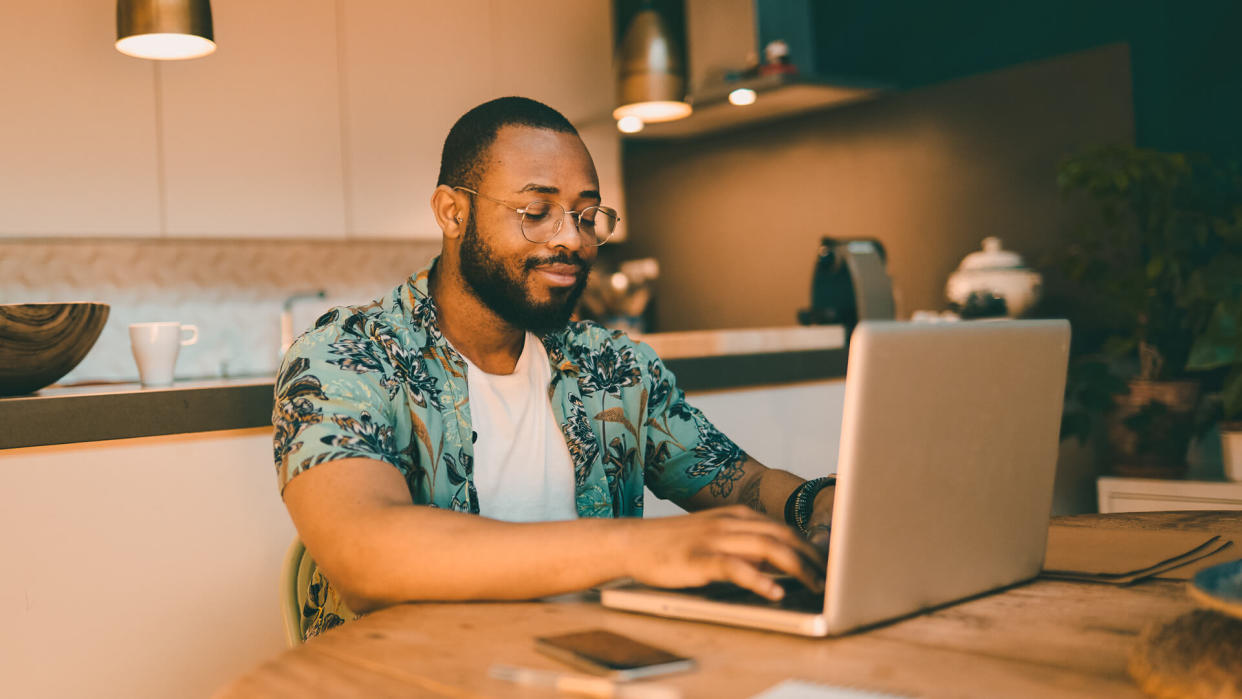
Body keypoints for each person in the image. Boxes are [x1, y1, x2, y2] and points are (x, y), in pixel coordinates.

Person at [273, 97, 836, 639]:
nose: (572, 238)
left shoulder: (612, 366)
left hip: (598, 672)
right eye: (537, 212)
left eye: (587, 216)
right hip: (415, 680)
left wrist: (821, 503)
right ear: (453, 212)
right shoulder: (346, 357)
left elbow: (743, 484)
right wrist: (641, 549)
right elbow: (365, 556)